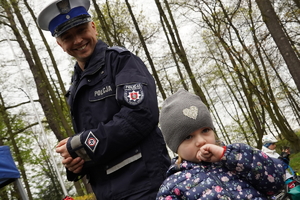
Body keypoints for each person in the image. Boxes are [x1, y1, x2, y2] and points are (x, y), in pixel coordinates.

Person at [36, 0, 171, 199]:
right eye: (67, 37)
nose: (78, 40)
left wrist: (82, 144)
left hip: (146, 186)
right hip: (107, 192)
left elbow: (142, 114)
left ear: (93, 27)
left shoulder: (121, 62)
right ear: (59, 44)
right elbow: (95, 141)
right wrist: (76, 163)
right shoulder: (75, 87)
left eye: (82, 30)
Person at [156, 89, 286, 199]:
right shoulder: (172, 187)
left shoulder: (237, 158)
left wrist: (229, 156)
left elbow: (276, 181)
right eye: (188, 137)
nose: (201, 141)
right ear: (175, 147)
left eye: (205, 130)